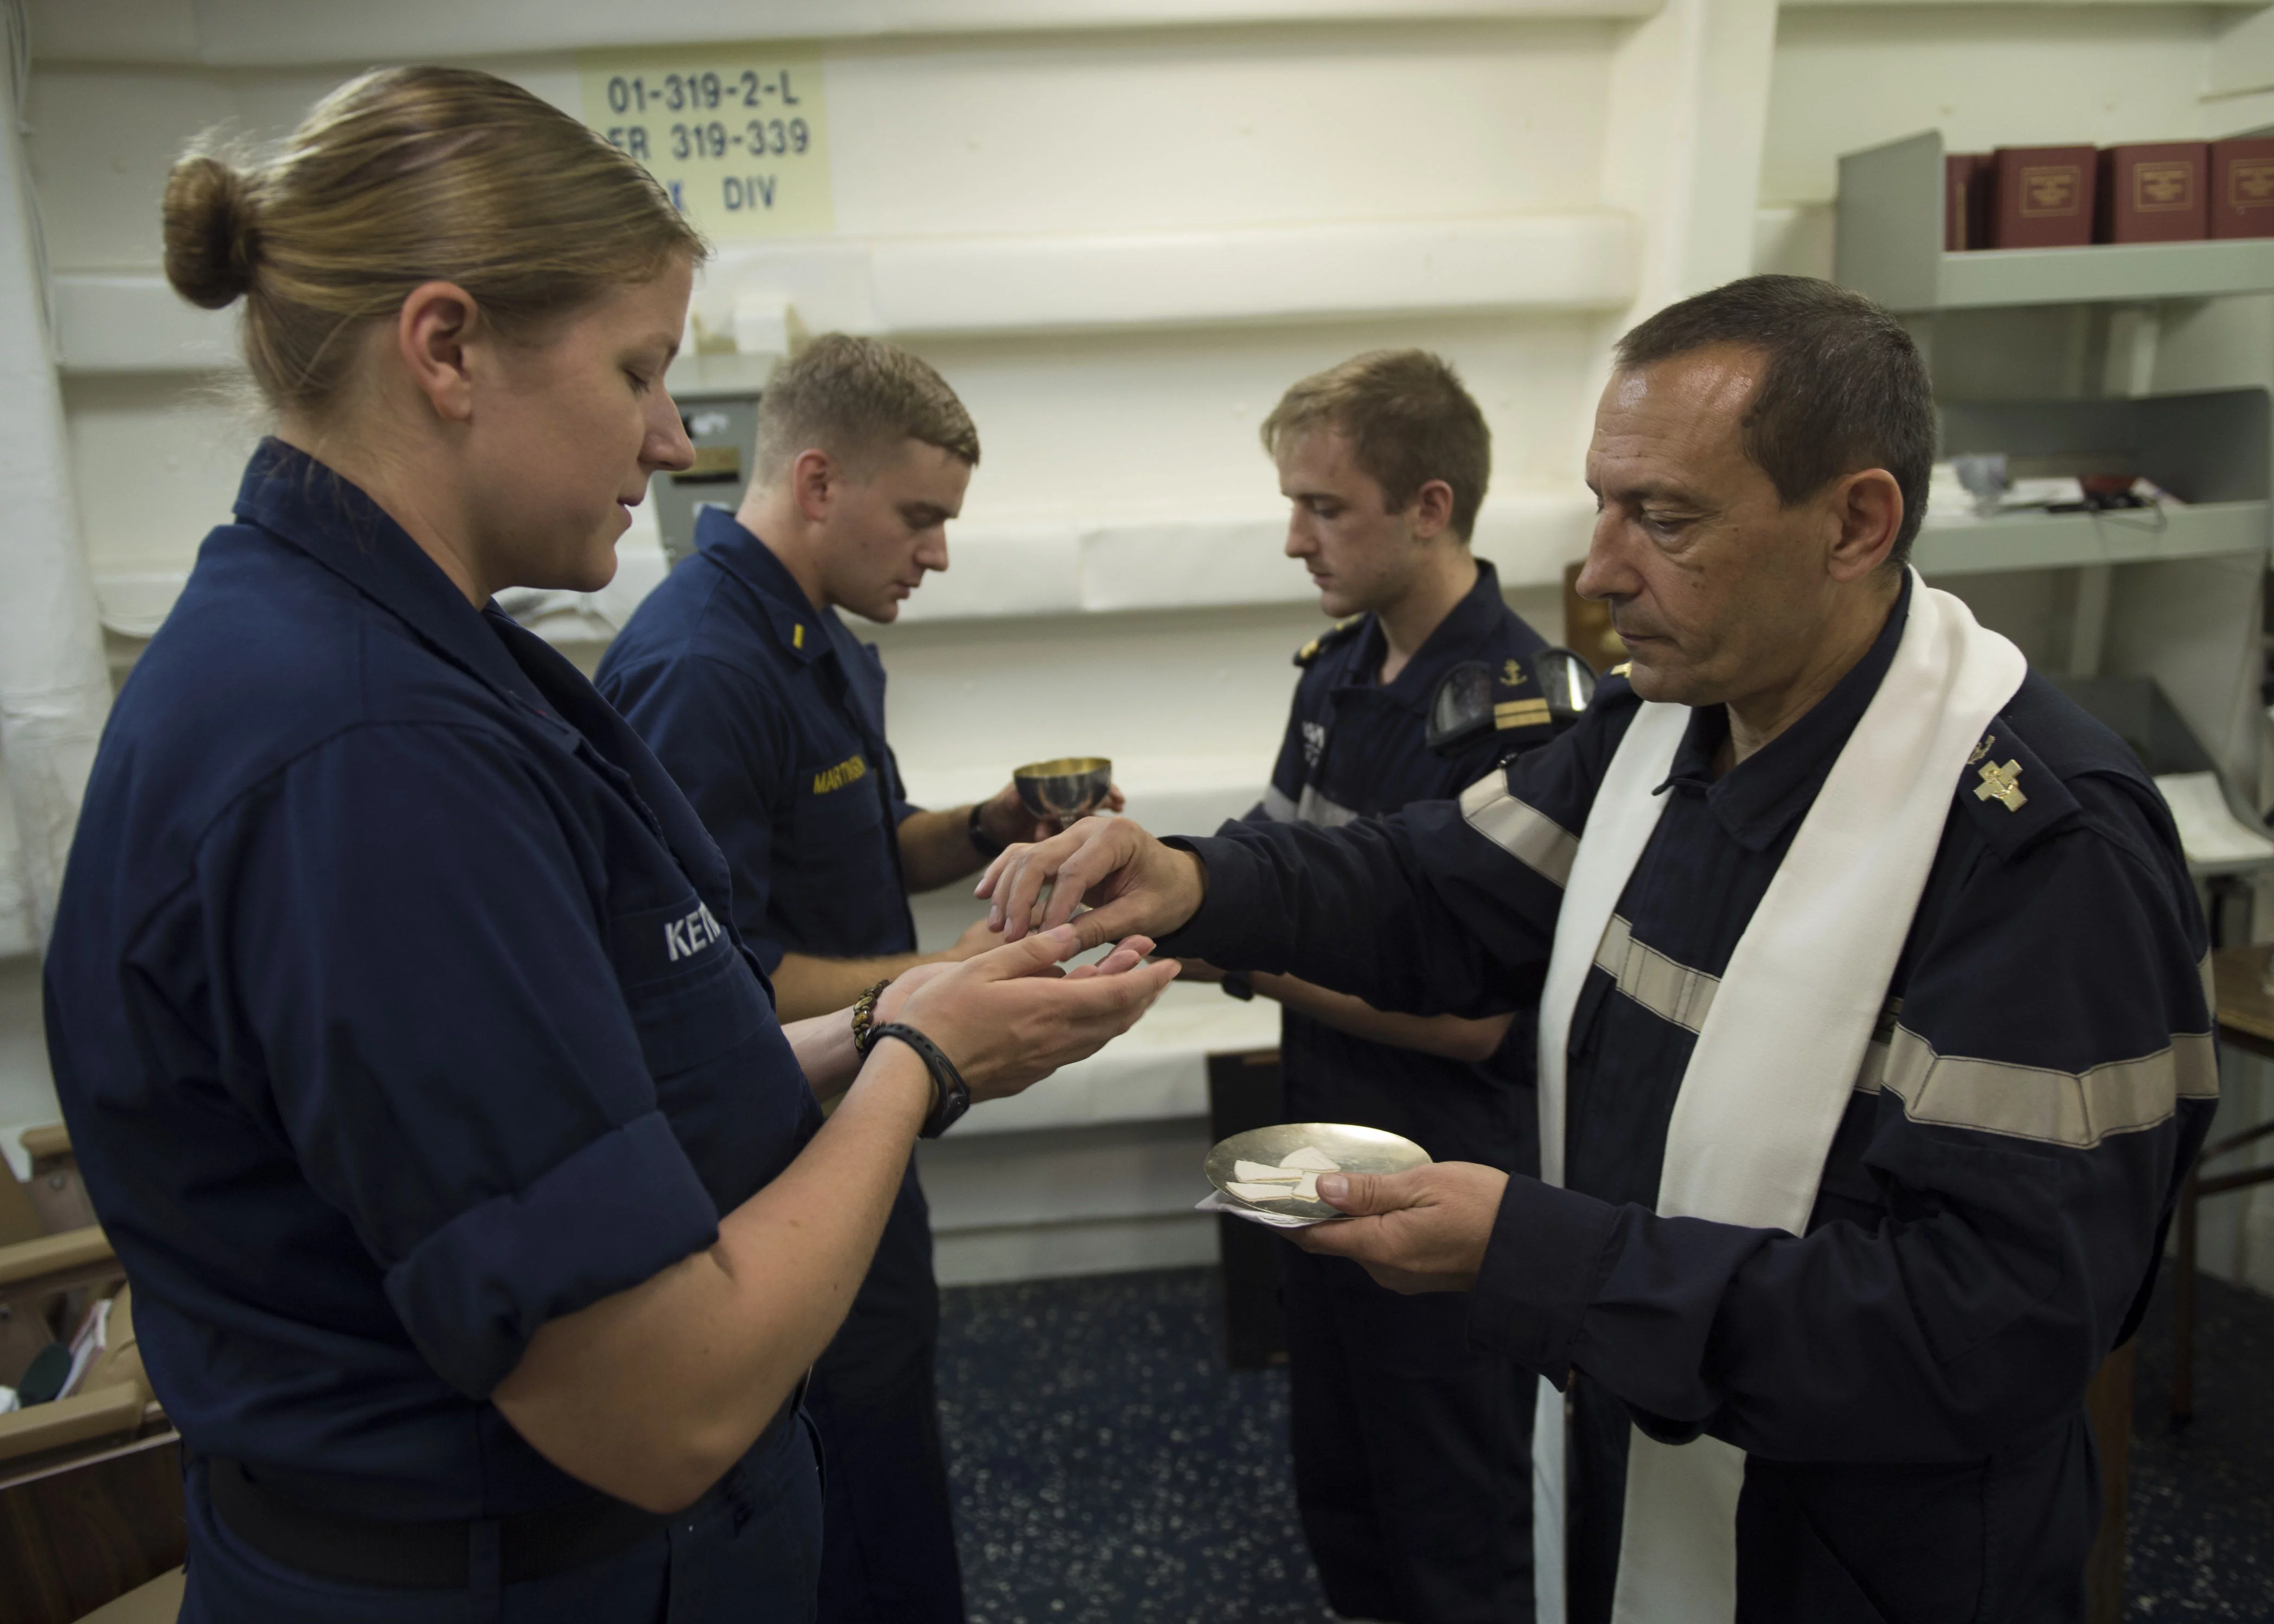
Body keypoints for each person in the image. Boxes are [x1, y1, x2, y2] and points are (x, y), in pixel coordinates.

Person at [40, 66, 1177, 1624]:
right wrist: (923, 1063)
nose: (668, 438)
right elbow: (658, 1403)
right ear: (447, 348)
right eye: (638, 369)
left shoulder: (404, 658)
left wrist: (891, 1020)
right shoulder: (373, 752)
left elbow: (607, 1101)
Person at [978, 275, 2215, 1624]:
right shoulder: (1663, 726)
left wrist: (1539, 1258)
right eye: (1603, 507)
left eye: (1664, 520)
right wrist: (1189, 880)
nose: (1600, 571)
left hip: (1861, 1553)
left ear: (1854, 523)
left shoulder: (2041, 852)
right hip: (1635, 1439)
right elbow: (1428, 886)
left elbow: (1991, 1323)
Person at [595, 335, 1095, 1622]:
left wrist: (986, 827)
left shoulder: (817, 634)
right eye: (920, 517)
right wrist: (950, 980)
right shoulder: (701, 672)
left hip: (862, 1105)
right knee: (851, 1484)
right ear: (817, 482)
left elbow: (861, 849)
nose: (938, 554)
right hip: (771, 1164)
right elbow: (711, 985)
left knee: (891, 1447)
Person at [1206, 349, 1545, 1624]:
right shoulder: (1338, 668)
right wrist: (1153, 880)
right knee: (1341, 1489)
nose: (1294, 540)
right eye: (1291, 505)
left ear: (1428, 508)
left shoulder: (1516, 716)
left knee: (1453, 1519)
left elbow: (1471, 1021)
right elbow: (1269, 849)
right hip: (1318, 1145)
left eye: (1323, 508)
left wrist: (1231, 952)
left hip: (1441, 1173)